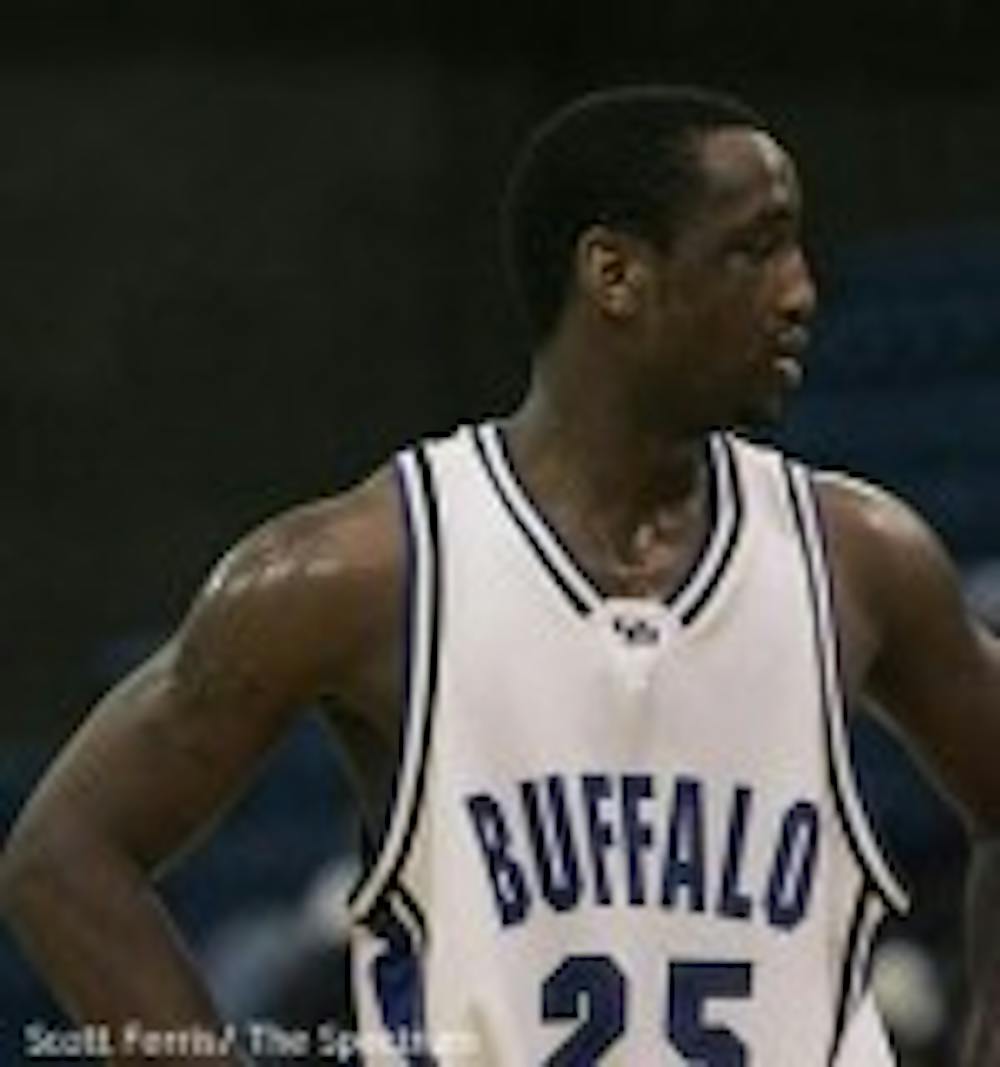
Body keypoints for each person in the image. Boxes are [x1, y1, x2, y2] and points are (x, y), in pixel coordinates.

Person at [3, 84, 1000, 1066]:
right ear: (615, 273)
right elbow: (63, 860)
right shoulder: (362, 569)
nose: (799, 291)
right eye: (755, 248)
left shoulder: (860, 556)